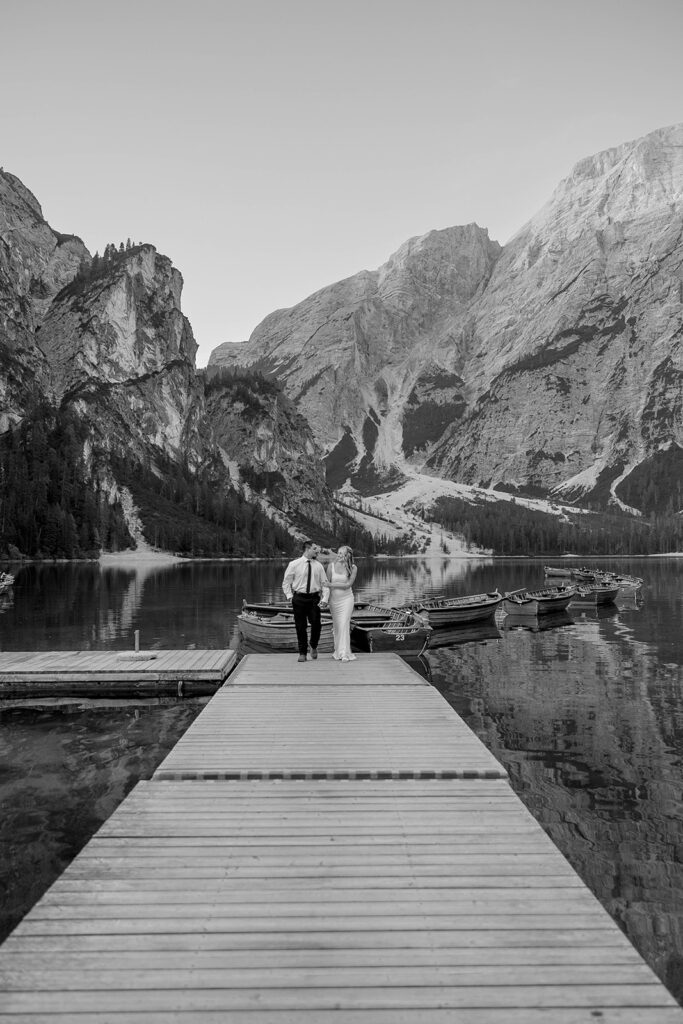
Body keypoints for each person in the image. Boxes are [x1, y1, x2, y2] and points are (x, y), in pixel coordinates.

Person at [282, 540, 330, 662]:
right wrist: (289, 596)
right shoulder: (294, 564)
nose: (317, 551)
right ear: (307, 549)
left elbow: (324, 584)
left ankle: (313, 645)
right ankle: (302, 652)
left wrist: (325, 598)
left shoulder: (318, 566)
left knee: (316, 623)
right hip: (298, 598)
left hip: (314, 598)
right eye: (315, 548)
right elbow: (286, 583)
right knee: (300, 626)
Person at [326, 545, 357, 662]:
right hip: (334, 601)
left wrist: (331, 585)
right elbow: (326, 585)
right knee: (338, 626)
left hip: (347, 600)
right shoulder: (331, 566)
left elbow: (348, 585)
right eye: (338, 553)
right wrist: (324, 600)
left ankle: (345, 653)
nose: (339, 555)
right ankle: (338, 651)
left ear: (348, 556)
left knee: (344, 623)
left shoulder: (353, 568)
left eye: (342, 554)